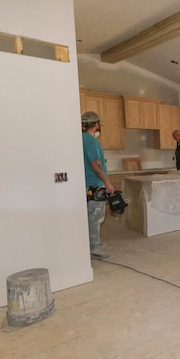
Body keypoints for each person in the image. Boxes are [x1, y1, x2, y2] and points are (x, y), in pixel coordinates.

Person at [82, 111, 114, 260]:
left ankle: (88, 246)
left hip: (86, 184)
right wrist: (107, 182)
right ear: (96, 124)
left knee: (89, 217)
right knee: (95, 217)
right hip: (94, 185)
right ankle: (95, 247)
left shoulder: (80, 138)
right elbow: (96, 164)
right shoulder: (89, 140)